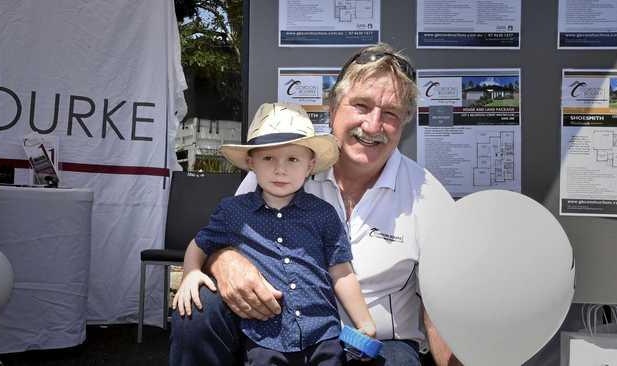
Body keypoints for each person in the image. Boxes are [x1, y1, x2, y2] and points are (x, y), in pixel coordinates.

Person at [170, 43, 462, 366]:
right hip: (275, 337)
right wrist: (222, 260)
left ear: (404, 123)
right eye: (361, 106)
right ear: (333, 109)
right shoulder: (276, 169)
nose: (373, 125)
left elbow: (443, 306)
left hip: (377, 345)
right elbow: (221, 237)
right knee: (197, 307)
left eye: (390, 113)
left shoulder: (428, 196)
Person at [173, 102, 376, 366]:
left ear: (310, 164)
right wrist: (191, 272)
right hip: (264, 337)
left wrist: (364, 322)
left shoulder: (324, 213)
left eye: (293, 159)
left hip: (323, 335)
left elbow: (342, 271)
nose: (280, 169)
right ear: (251, 162)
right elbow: (200, 244)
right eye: (268, 158)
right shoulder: (232, 211)